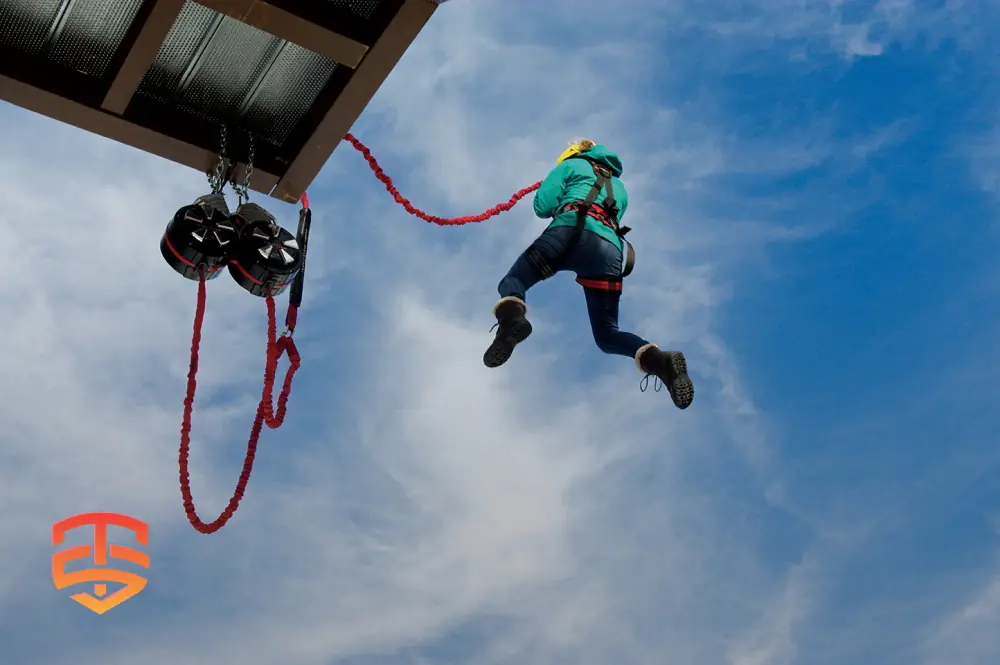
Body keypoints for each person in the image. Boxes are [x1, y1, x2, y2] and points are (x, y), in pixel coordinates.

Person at [483, 139, 694, 410]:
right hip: (609, 250)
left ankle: (512, 322)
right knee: (607, 335)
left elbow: (542, 206)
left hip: (569, 230)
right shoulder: (620, 186)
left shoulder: (570, 165)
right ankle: (661, 361)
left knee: (514, 281)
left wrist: (555, 181)